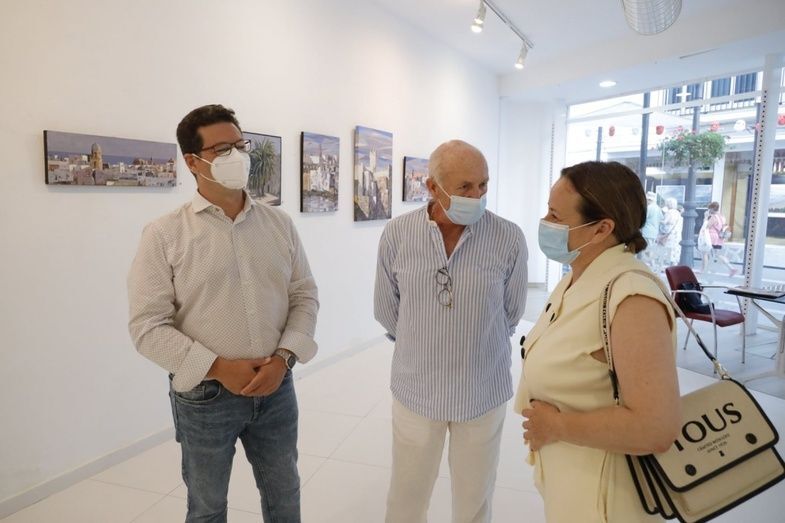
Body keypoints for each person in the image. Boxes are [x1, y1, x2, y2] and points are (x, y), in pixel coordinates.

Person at [128, 104, 319, 523]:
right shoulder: (164, 235)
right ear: (192, 162)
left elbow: (304, 295)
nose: (237, 156)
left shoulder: (279, 224)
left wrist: (283, 359)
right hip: (205, 397)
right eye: (221, 149)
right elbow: (147, 327)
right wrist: (218, 367)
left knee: (284, 495)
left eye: (240, 145)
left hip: (276, 387)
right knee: (207, 507)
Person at [515, 161, 680, 522]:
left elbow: (656, 427)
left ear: (602, 228)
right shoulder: (578, 279)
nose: (545, 221)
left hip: (609, 498)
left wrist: (556, 426)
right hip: (573, 481)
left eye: (555, 215)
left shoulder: (632, 296)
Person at [374, 140, 528, 523]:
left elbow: (511, 313)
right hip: (417, 391)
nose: (477, 196)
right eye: (465, 187)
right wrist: (424, 340)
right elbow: (386, 309)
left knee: (474, 501)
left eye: (483, 184)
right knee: (406, 497)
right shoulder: (397, 234)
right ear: (432, 187)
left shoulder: (508, 237)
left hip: (482, 391)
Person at [701, 201, 737, 277]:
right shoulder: (722, 217)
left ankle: (704, 271)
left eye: (709, 209)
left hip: (712, 237)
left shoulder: (714, 217)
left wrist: (705, 217)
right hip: (719, 238)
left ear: (712, 208)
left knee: (705, 253)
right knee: (717, 255)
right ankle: (731, 268)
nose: (709, 210)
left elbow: (706, 226)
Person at [640, 191, 662, 269]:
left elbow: (643, 218)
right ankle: (652, 264)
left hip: (647, 231)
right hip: (654, 232)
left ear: (649, 200)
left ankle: (650, 265)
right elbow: (661, 219)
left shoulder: (649, 208)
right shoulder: (658, 208)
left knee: (647, 249)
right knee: (650, 248)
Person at [658, 197, 683, 266]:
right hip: (676, 234)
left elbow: (665, 222)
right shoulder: (677, 213)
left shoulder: (669, 212)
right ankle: (674, 264)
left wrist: (659, 221)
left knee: (667, 249)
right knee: (674, 250)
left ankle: (665, 265)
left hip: (669, 234)